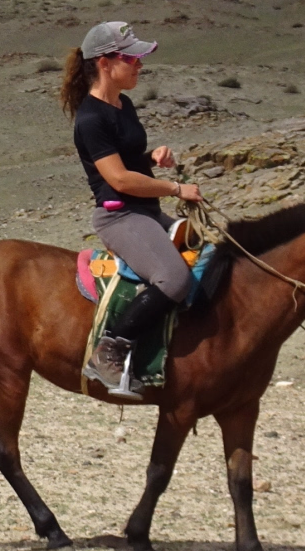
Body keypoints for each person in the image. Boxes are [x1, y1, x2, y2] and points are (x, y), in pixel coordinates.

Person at [61, 21, 203, 401]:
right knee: (174, 279)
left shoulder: (123, 105)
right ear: (105, 63)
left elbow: (128, 162)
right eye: (132, 58)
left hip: (146, 211)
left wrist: (152, 157)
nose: (140, 64)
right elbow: (119, 179)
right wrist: (176, 188)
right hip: (120, 217)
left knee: (204, 255)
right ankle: (109, 350)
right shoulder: (91, 119)